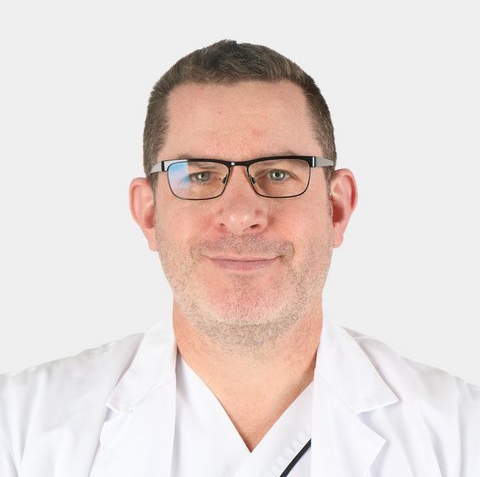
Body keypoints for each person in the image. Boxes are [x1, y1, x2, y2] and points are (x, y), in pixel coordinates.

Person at [0, 40, 479, 477]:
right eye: (199, 176)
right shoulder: (20, 431)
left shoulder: (460, 434)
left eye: (278, 173)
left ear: (336, 208)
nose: (240, 215)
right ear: (148, 214)